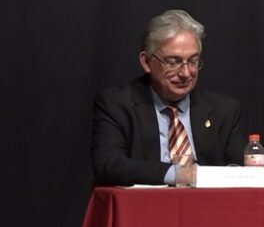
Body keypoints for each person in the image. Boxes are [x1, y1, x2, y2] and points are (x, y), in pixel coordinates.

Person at [91, 10, 246, 186]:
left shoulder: (224, 110)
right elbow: (108, 165)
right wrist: (176, 174)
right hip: (145, 209)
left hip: (209, 209)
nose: (185, 73)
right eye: (173, 62)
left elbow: (243, 169)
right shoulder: (117, 104)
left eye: (193, 61)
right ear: (146, 62)